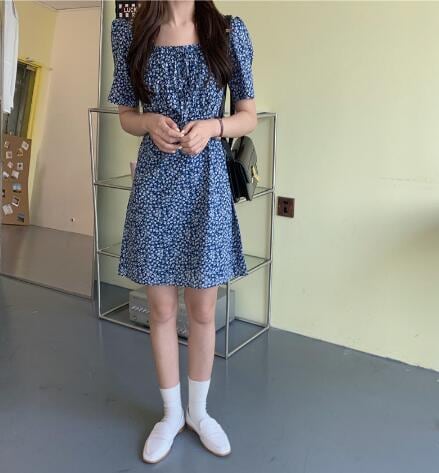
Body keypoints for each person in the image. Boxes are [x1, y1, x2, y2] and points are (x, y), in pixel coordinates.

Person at [107, 0, 257, 463]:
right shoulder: (131, 32)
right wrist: (148, 122)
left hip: (207, 187)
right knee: (160, 308)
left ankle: (199, 412)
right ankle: (171, 414)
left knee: (203, 310)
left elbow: (248, 114)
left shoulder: (227, 31)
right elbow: (126, 114)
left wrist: (213, 127)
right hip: (155, 184)